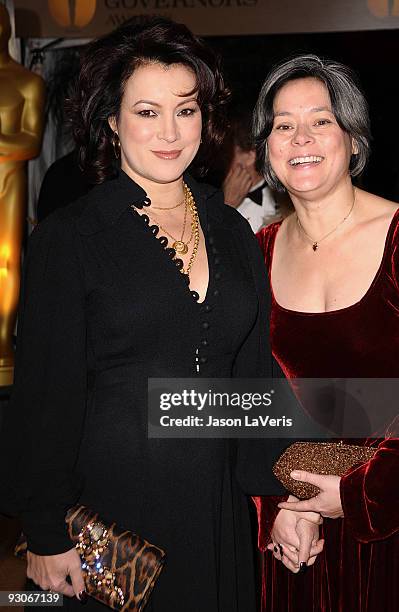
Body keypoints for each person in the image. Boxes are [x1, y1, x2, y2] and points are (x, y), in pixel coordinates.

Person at [0, 17, 316, 612]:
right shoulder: (72, 238)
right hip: (111, 523)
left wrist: (289, 499)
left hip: (214, 509)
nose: (170, 132)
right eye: (147, 112)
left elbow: (252, 381)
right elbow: (46, 393)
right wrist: (44, 528)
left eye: (186, 110)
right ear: (112, 121)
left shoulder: (234, 232)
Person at [253, 54, 399, 611]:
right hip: (296, 535)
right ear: (267, 149)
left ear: (354, 140)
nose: (300, 137)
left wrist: (360, 496)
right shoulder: (256, 255)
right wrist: (290, 506)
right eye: (283, 125)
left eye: (321, 120)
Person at [0, 3, 45, 386]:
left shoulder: (26, 82)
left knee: (7, 261)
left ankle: (3, 344)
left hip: (8, 181)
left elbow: (30, 141)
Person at [222, 107, 278, 232]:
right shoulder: (212, 203)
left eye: (227, 153)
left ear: (249, 155)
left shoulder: (286, 199)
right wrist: (227, 206)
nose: (221, 161)